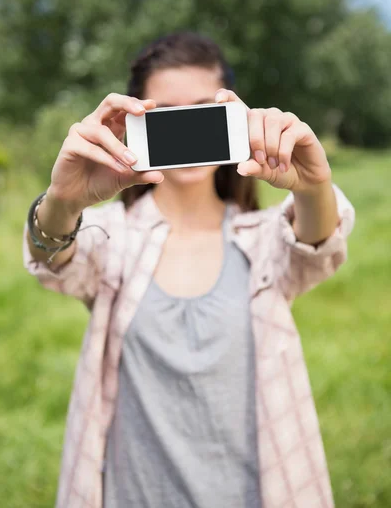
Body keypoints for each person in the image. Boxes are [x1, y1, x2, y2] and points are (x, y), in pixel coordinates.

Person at [24, 31, 354, 508]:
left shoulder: (261, 236)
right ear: (136, 121)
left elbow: (317, 246)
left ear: (231, 117)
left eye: (202, 111)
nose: (186, 130)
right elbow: (50, 259)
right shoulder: (111, 234)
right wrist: (63, 200)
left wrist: (313, 186)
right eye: (166, 117)